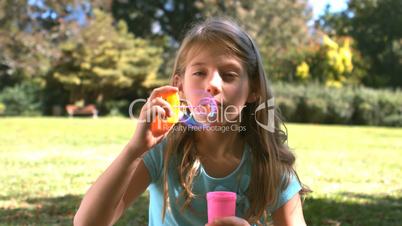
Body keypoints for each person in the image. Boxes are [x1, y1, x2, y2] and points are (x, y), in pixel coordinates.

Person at [74, 18, 310, 226]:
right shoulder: (163, 152)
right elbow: (87, 223)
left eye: (229, 75)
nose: (213, 85)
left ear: (253, 90)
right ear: (180, 87)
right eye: (199, 73)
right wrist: (134, 151)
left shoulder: (270, 167)